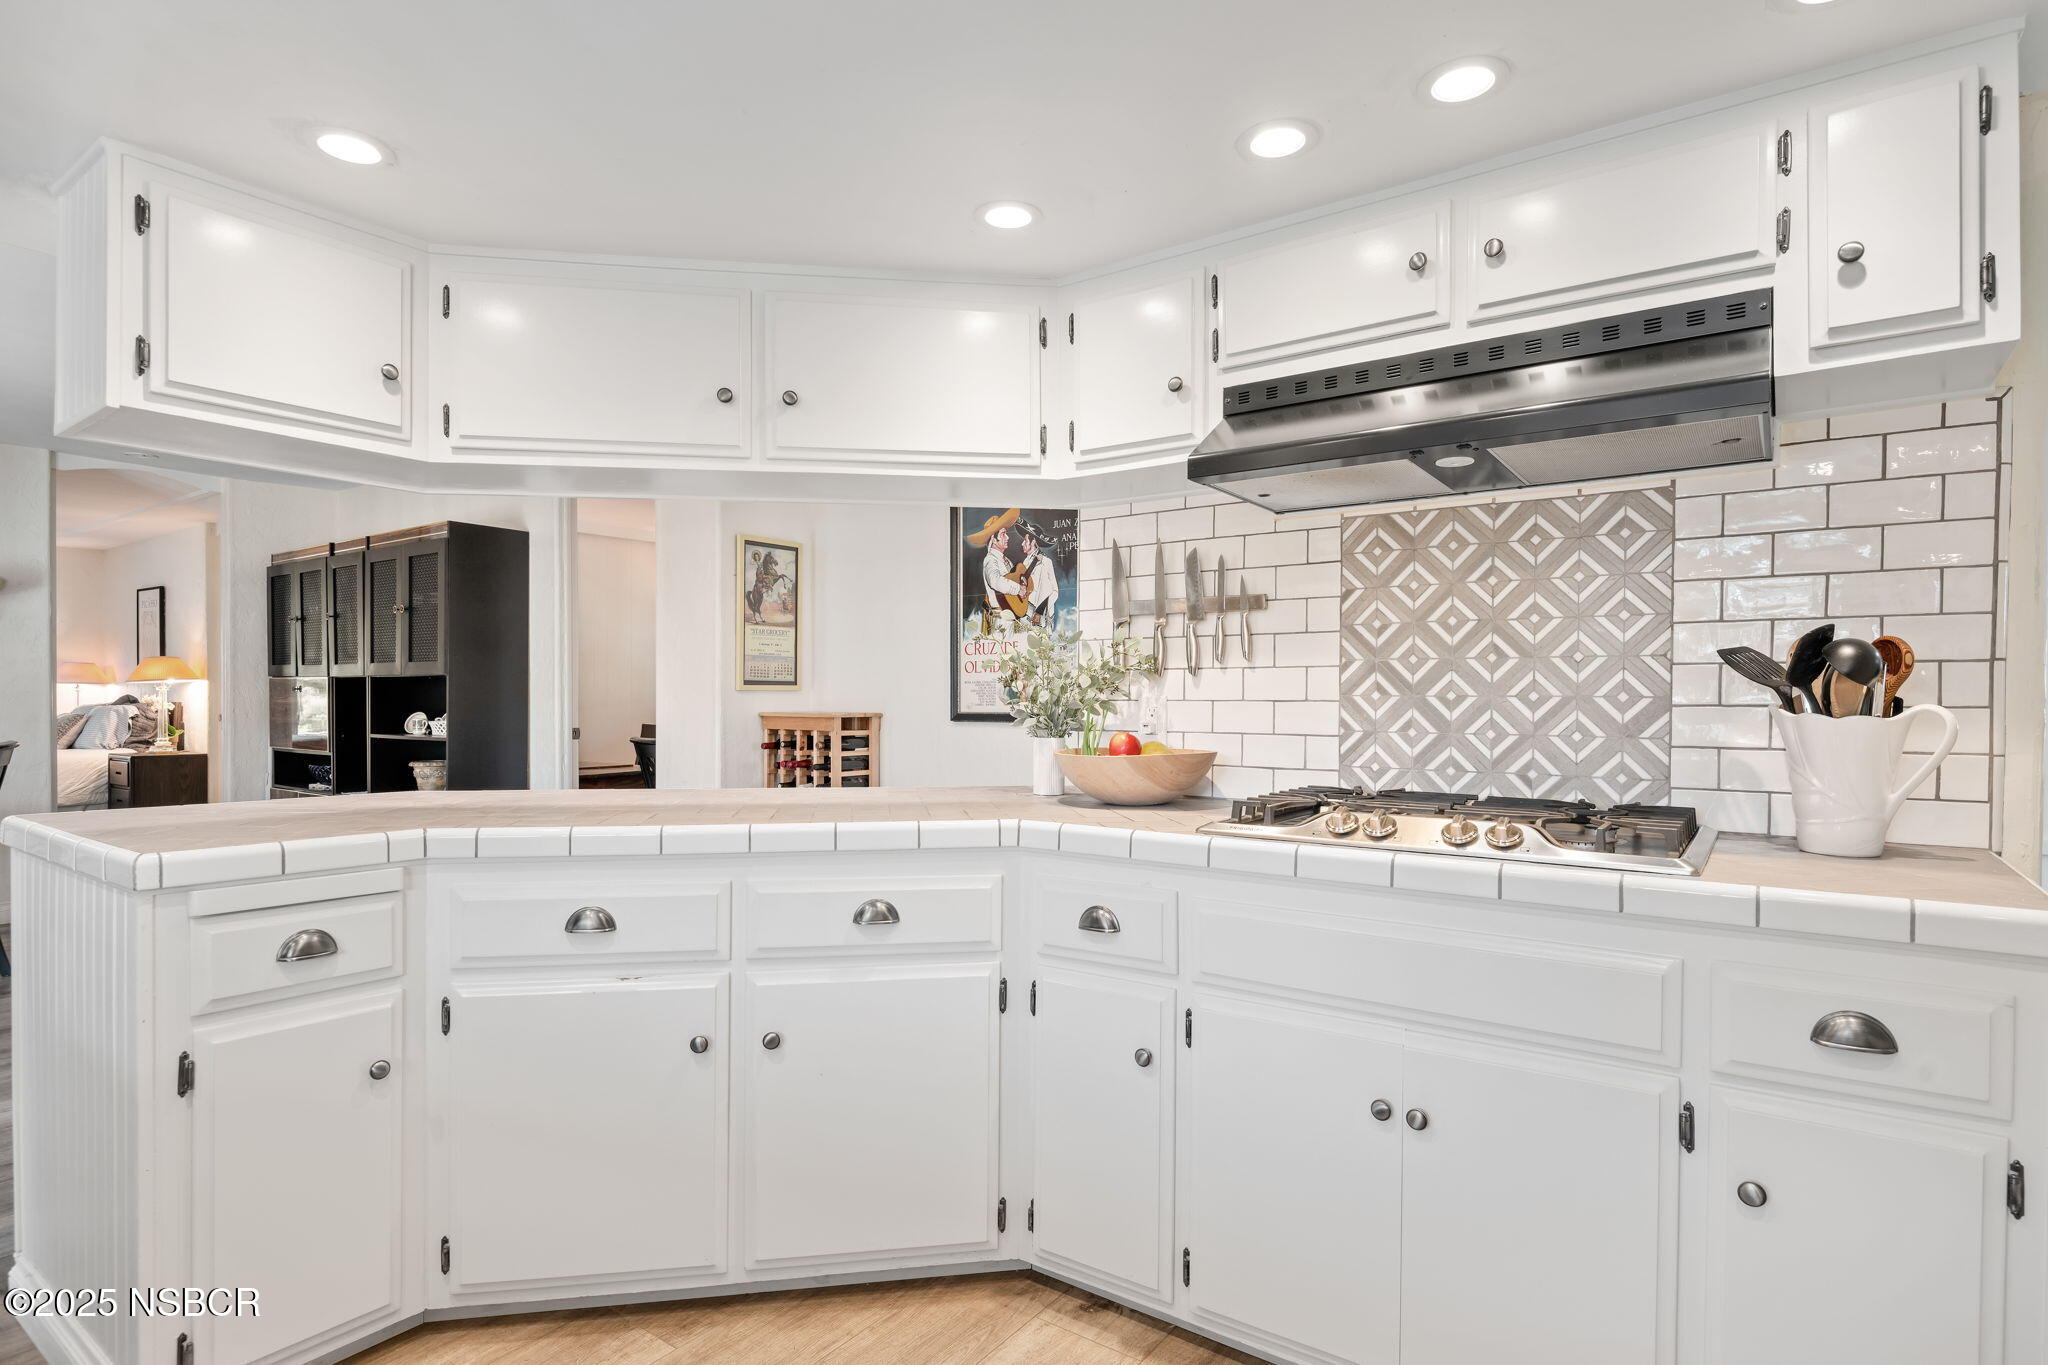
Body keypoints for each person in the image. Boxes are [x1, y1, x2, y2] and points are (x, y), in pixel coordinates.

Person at [1016, 520, 1058, 627]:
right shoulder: (1026, 562)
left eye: (1025, 541)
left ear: (1033, 542)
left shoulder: (1044, 561)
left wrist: (1039, 612)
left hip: (1038, 613)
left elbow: (1051, 590)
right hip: (1025, 610)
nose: (1022, 543)